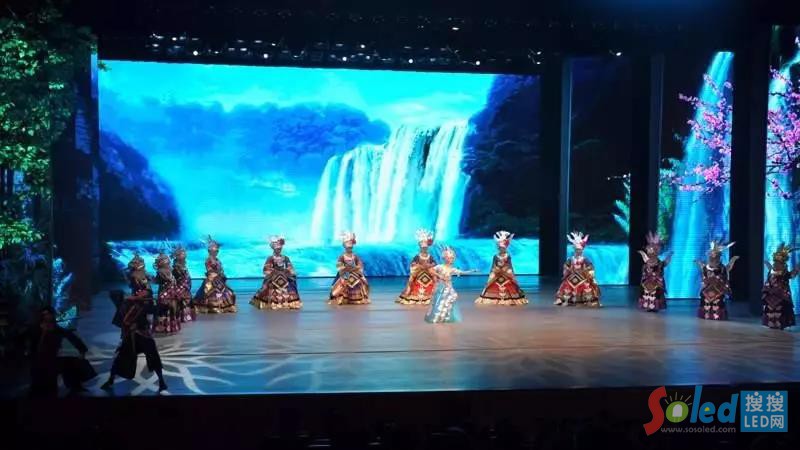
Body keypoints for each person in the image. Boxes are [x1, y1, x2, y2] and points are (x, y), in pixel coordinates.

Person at [101, 290, 168, 392]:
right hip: (131, 337)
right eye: (140, 292)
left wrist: (162, 304)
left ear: (146, 297)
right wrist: (130, 299)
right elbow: (115, 296)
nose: (140, 292)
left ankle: (162, 382)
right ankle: (110, 380)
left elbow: (158, 310)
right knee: (120, 358)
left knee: (154, 359)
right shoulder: (130, 303)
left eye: (143, 293)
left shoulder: (146, 306)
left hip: (144, 337)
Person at [27, 306, 94, 397]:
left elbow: (73, 338)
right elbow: (32, 345)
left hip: (51, 361)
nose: (48, 322)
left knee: (52, 383)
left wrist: (82, 350)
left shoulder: (57, 330)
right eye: (46, 318)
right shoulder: (35, 330)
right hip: (38, 361)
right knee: (38, 383)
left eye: (50, 317)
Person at [424, 246, 475, 323]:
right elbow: (431, 270)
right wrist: (439, 276)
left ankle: (446, 315)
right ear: (445, 258)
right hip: (441, 287)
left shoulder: (452, 269)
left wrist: (470, 271)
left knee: (451, 298)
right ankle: (438, 316)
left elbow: (461, 272)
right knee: (440, 301)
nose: (451, 260)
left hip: (449, 287)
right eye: (450, 258)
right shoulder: (440, 267)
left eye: (452, 258)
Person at [475, 230, 527, 306]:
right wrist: (496, 270)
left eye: (502, 248)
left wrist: (506, 270)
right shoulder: (495, 256)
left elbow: (509, 265)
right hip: (497, 272)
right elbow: (493, 266)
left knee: (512, 280)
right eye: (500, 248)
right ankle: (486, 292)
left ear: (505, 248)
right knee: (490, 281)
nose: (501, 249)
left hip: (506, 272)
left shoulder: (507, 256)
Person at [251, 235, 303, 310]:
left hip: (284, 276)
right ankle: (272, 303)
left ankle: (289, 302)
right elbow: (266, 268)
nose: (279, 250)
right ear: (274, 249)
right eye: (277, 249)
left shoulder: (285, 258)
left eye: (280, 249)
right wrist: (274, 272)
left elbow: (290, 267)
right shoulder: (270, 258)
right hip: (274, 276)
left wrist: (289, 271)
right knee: (267, 286)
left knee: (291, 284)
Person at [695, 240, 738, 321]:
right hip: (707, 288)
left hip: (718, 288)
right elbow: (704, 275)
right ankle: (706, 314)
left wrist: (733, 260)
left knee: (718, 302)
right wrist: (704, 282)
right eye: (711, 255)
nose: (713, 256)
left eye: (715, 255)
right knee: (706, 301)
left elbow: (726, 274)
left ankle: (717, 315)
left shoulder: (722, 268)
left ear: (718, 256)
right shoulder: (706, 267)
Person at [555, 231, 601, 307]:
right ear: (574, 250)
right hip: (572, 275)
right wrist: (568, 269)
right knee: (566, 285)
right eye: (577, 250)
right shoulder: (571, 259)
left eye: (579, 250)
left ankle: (586, 300)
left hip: (582, 276)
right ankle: (564, 299)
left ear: (582, 250)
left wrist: (586, 271)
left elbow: (590, 267)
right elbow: (566, 265)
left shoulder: (584, 259)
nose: (578, 251)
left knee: (586, 285)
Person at [194, 235, 237, 313]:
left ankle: (226, 306)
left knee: (228, 292)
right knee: (211, 292)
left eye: (217, 250)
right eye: (215, 250)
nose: (217, 252)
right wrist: (215, 274)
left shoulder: (217, 260)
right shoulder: (208, 260)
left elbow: (221, 269)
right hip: (212, 279)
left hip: (219, 279)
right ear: (210, 251)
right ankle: (212, 307)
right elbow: (209, 270)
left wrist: (222, 274)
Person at [396, 229, 438, 305]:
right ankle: (408, 291)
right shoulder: (417, 256)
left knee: (435, 278)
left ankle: (434, 291)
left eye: (425, 248)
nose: (424, 249)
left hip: (428, 272)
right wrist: (419, 266)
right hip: (419, 272)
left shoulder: (430, 256)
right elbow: (413, 264)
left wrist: (429, 266)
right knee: (411, 280)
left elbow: (434, 263)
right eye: (423, 248)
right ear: (420, 248)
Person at [762, 243, 798, 330]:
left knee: (780, 309)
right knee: (771, 310)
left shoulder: (784, 272)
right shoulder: (771, 271)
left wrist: (797, 269)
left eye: (778, 263)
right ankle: (771, 323)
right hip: (771, 294)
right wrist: (766, 290)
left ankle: (780, 323)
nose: (776, 265)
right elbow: (769, 280)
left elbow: (791, 275)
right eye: (775, 263)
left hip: (781, 294)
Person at [329, 231, 370, 305]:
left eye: (350, 248)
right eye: (348, 248)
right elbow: (339, 266)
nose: (349, 249)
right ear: (345, 248)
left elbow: (360, 265)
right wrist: (345, 269)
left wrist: (356, 269)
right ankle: (342, 298)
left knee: (362, 281)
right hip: (345, 273)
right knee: (343, 282)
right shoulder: (342, 256)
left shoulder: (355, 256)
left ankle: (360, 297)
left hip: (354, 272)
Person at [637, 232, 672, 312]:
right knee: (647, 292)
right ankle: (648, 306)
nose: (651, 252)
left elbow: (663, 264)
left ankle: (655, 306)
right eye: (649, 250)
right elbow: (645, 269)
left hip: (656, 280)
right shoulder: (647, 261)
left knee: (656, 293)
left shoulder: (658, 262)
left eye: (654, 250)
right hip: (648, 280)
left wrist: (669, 257)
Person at [153, 252, 181, 334]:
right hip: (165, 292)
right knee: (164, 308)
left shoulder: (168, 271)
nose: (168, 263)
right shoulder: (161, 272)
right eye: (166, 262)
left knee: (172, 308)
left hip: (171, 292)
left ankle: (170, 326)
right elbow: (160, 281)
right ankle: (164, 327)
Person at [172, 244, 196, 323]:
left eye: (184, 254)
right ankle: (181, 316)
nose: (184, 256)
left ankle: (188, 316)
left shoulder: (184, 266)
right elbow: (176, 279)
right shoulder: (176, 268)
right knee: (182, 301)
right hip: (180, 288)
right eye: (182, 255)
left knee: (187, 301)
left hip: (186, 287)